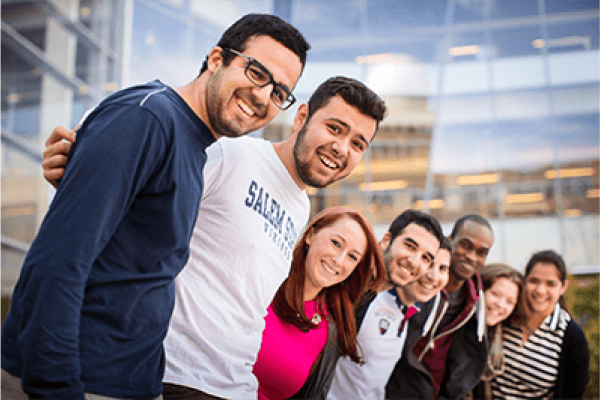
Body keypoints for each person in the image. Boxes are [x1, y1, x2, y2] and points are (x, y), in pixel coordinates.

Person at [0, 13, 310, 400]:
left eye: (280, 92)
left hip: (132, 382)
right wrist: (56, 386)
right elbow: (57, 263)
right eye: (257, 73)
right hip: (80, 379)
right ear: (217, 60)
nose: (263, 96)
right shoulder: (146, 118)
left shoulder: (197, 148)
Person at [40, 75, 387, 398]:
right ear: (301, 118)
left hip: (234, 386)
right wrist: (77, 162)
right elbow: (138, 180)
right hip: (176, 376)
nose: (342, 147)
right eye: (335, 128)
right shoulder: (232, 155)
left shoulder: (300, 208)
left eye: (357, 143)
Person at [251, 206, 386, 400]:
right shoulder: (261, 282)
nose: (338, 260)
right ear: (311, 235)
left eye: (352, 257)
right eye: (336, 243)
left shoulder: (330, 331)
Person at [327, 210, 447, 400]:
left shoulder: (401, 303)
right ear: (386, 240)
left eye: (426, 258)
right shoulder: (350, 286)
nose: (415, 262)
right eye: (410, 246)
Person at [386, 214, 494, 400]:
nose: (471, 257)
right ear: (450, 241)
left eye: (481, 253)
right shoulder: (417, 284)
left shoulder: (475, 301)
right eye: (465, 245)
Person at [489, 250, 590, 399]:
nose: (541, 290)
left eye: (551, 284)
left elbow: (573, 395)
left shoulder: (571, 337)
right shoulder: (505, 316)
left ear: (563, 287)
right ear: (524, 281)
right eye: (534, 281)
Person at [467, 263, 528, 400]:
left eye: (510, 302)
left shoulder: (496, 334)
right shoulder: (461, 328)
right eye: (495, 294)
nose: (500, 305)